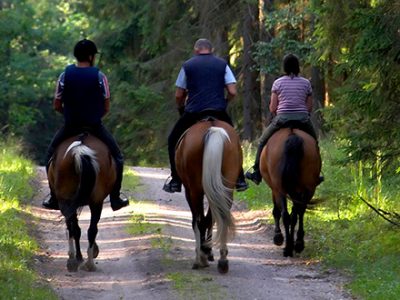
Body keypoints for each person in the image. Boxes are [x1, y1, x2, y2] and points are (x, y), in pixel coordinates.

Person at [42, 39, 129, 211]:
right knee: (118, 158)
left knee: (49, 156)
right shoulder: (99, 76)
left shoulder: (64, 75)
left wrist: (68, 116)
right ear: (90, 56)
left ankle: (53, 196)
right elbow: (106, 106)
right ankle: (115, 197)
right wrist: (95, 117)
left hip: (71, 126)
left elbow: (57, 104)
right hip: (94, 126)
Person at [163, 38, 248, 193]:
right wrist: (225, 102)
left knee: (172, 140)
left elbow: (178, 94)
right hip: (218, 111)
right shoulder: (222, 64)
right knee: (234, 140)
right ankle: (240, 179)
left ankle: (175, 180)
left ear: (196, 50)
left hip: (194, 112)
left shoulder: (187, 66)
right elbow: (232, 91)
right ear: (211, 50)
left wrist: (181, 107)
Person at [245, 53, 323, 185]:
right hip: (302, 119)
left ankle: (256, 173)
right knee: (314, 142)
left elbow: (272, 107)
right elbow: (309, 107)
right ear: (298, 67)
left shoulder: (278, 83)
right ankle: (316, 174)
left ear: (284, 67)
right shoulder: (306, 83)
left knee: (263, 141)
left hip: (282, 119)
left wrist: (279, 112)